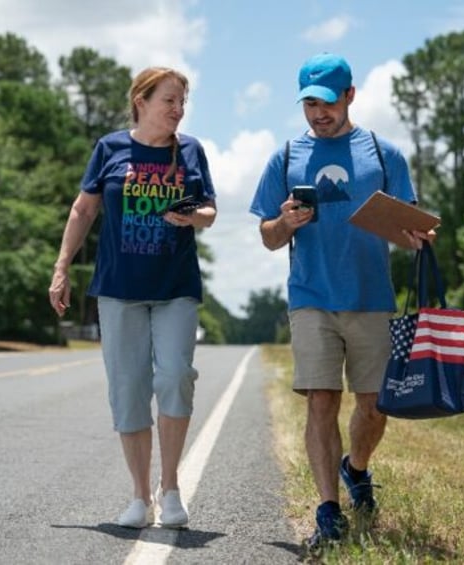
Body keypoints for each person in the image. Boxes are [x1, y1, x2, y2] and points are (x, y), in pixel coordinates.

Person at [249, 53, 432, 549]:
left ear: (350, 95)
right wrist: (284, 224)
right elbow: (266, 236)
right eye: (309, 103)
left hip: (372, 298)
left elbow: (406, 223)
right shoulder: (285, 157)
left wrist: (415, 235)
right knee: (321, 401)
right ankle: (328, 510)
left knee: (374, 407)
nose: (318, 113)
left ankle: (357, 467)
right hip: (311, 297)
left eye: (327, 102)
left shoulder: (383, 154)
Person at [48, 66, 216, 530]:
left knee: (176, 376)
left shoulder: (191, 151)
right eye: (169, 101)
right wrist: (62, 267)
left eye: (183, 102)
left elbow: (209, 210)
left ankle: (171, 489)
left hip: (174, 287)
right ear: (141, 100)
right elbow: (84, 209)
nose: (178, 110)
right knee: (128, 390)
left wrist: (190, 218)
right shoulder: (110, 148)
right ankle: (139, 498)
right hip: (119, 290)